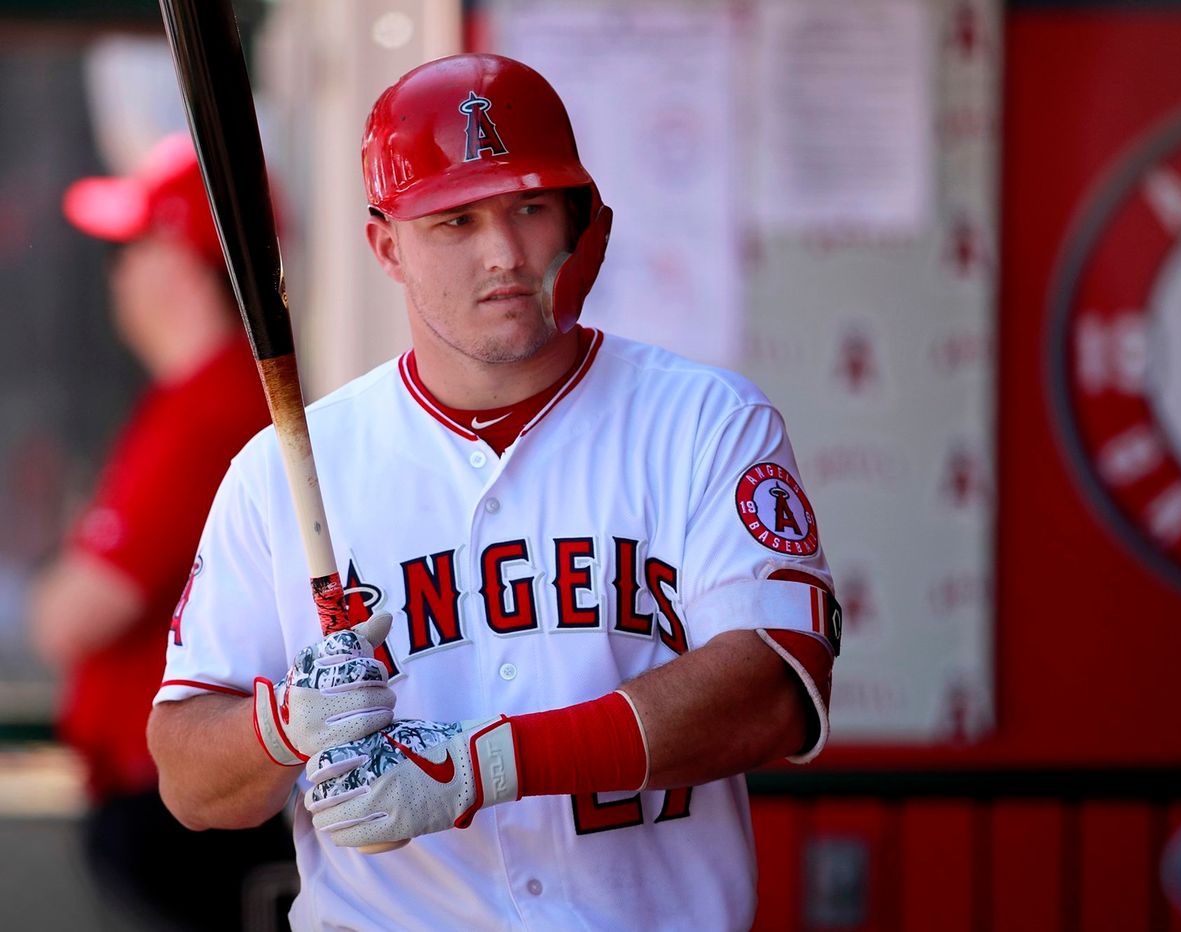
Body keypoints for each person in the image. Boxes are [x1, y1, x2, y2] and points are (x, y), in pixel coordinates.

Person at [147, 54, 839, 930]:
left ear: (581, 220)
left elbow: (773, 693)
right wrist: (285, 724)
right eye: (456, 220)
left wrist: (486, 766)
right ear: (387, 247)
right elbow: (188, 781)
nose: (504, 253)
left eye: (530, 207)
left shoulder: (703, 423)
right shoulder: (287, 468)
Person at [28, 134, 296, 928]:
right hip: (186, 793)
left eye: (132, 248)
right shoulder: (198, 398)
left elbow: (73, 616)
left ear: (179, 261)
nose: (118, 273)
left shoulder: (213, 408)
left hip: (195, 806)